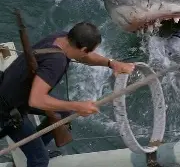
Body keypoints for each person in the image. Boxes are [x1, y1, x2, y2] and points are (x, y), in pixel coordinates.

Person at [0, 22, 135, 167]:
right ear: (83, 48)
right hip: (8, 111)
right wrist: (77, 106)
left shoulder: (62, 38)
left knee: (64, 113)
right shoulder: (56, 62)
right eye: (89, 51)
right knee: (40, 160)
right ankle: (35, 153)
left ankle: (32, 147)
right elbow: (36, 100)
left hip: (10, 90)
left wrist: (111, 63)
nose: (88, 54)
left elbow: (85, 57)